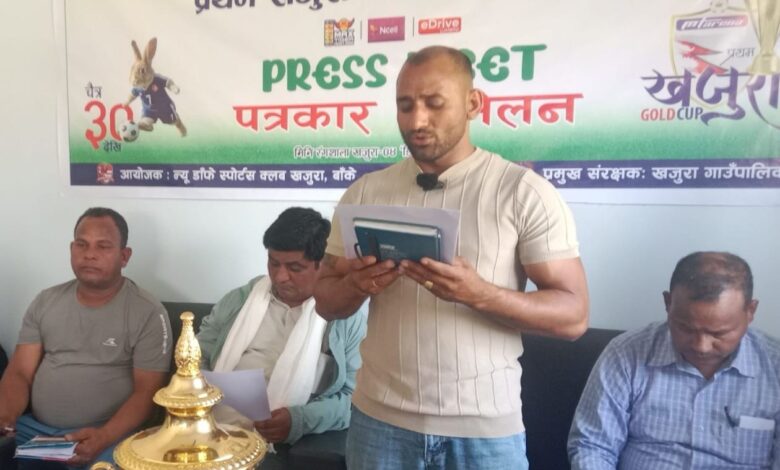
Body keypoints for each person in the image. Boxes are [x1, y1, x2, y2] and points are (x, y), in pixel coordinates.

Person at [313, 46, 589, 469]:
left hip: (484, 432)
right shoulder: (365, 193)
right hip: (379, 425)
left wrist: (479, 293)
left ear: (473, 103)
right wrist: (355, 284)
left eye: (434, 103)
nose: (417, 121)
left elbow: (573, 317)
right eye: (405, 106)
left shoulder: (522, 192)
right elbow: (325, 302)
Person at [568, 251, 780, 470]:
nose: (701, 346)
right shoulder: (626, 354)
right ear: (668, 303)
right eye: (686, 328)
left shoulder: (775, 367)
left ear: (750, 311)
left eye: (718, 334)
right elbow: (593, 446)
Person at [0, 207, 172, 469]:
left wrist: (103, 437)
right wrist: (6, 416)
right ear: (72, 249)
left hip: (109, 435)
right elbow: (20, 372)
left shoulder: (147, 311)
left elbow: (147, 393)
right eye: (82, 244)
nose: (89, 254)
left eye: (103, 246)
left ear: (124, 256)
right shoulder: (46, 301)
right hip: (35, 431)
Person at [196, 207, 366, 458]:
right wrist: (199, 390)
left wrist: (299, 420)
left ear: (323, 265)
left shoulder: (345, 318)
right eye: (273, 263)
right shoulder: (241, 300)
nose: (280, 276)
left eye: (295, 268)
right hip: (215, 429)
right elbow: (195, 358)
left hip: (280, 443)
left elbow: (356, 399)